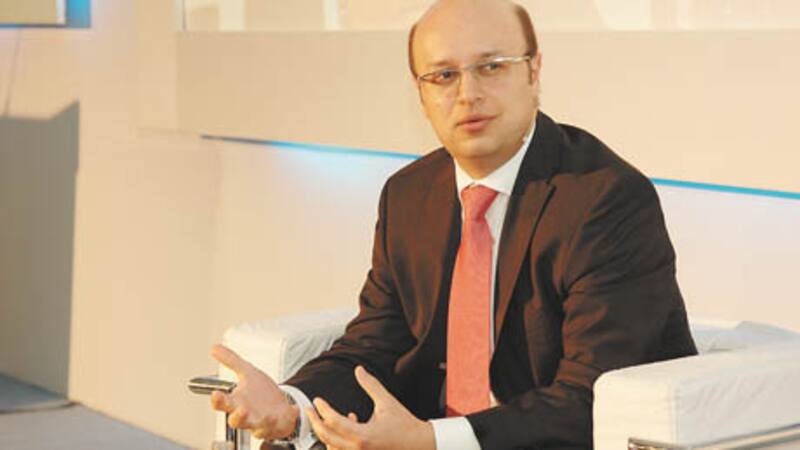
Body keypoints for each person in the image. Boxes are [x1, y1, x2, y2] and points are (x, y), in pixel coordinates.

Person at [209, 1, 697, 448]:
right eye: (443, 76)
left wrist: (434, 441)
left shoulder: (604, 200)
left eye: (491, 67)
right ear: (421, 95)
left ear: (534, 71)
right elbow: (376, 346)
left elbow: (592, 397)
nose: (468, 94)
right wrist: (291, 404)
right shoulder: (408, 195)